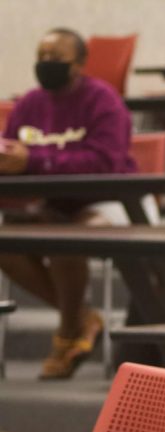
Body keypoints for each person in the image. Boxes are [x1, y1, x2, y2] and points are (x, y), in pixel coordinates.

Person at [0, 28, 136, 379]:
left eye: (55, 59)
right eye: (41, 57)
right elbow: (13, 154)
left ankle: (66, 335)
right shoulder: (29, 103)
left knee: (67, 239)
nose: (46, 64)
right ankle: (82, 319)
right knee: (6, 242)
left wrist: (34, 160)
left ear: (79, 65)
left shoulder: (103, 100)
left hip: (112, 201)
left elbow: (106, 164)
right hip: (52, 203)